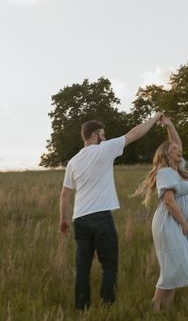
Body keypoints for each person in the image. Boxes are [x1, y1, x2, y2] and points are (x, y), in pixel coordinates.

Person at [59, 113, 163, 310]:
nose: (105, 138)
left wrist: (63, 221)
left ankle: (82, 309)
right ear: (95, 135)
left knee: (82, 267)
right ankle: (107, 307)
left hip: (79, 219)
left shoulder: (73, 162)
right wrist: (154, 118)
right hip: (101, 217)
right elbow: (134, 134)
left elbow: (64, 195)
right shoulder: (104, 149)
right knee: (109, 265)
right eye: (103, 135)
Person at [134, 114, 188, 311]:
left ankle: (166, 310)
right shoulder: (165, 173)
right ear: (165, 155)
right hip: (171, 223)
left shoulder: (178, 169)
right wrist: (184, 223)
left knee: (179, 267)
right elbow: (170, 202)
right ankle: (155, 308)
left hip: (179, 224)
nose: (178, 150)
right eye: (174, 150)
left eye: (178, 149)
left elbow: (176, 142)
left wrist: (170, 125)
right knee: (173, 266)